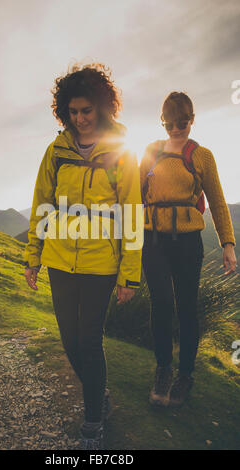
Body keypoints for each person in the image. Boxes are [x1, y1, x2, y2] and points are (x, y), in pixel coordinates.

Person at [24, 63, 142, 449]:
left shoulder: (122, 153)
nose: (80, 118)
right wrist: (33, 256)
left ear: (102, 108)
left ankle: (94, 419)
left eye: (86, 111)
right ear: (64, 111)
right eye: (72, 112)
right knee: (70, 342)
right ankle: (99, 393)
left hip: (100, 264)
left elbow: (132, 214)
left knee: (89, 341)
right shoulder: (56, 151)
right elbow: (42, 203)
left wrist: (130, 274)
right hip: (60, 261)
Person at [140, 91, 237, 407]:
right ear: (163, 122)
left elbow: (218, 201)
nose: (176, 129)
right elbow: (133, 194)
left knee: (185, 307)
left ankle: (185, 375)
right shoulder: (150, 152)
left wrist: (228, 244)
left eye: (182, 123)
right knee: (161, 302)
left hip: (187, 241)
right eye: (170, 124)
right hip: (152, 238)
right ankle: (163, 369)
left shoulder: (203, 156)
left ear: (192, 120)